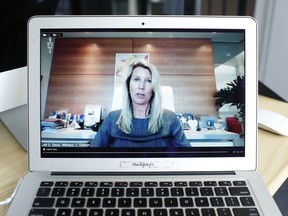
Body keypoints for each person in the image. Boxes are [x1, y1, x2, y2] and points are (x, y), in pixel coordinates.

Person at [91, 61, 190, 148]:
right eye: (136, 79)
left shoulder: (170, 118)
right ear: (128, 86)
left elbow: (188, 156)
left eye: (148, 81)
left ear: (154, 88)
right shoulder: (113, 118)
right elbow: (93, 156)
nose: (141, 86)